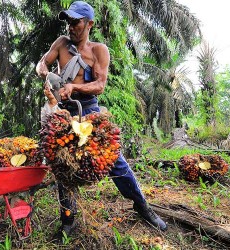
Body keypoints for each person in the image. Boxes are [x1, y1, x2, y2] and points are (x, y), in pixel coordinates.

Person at [36, 0, 167, 242]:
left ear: (89, 24)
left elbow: (100, 85)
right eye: (68, 22)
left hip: (89, 112)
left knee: (116, 162)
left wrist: (74, 86)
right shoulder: (61, 44)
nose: (70, 27)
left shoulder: (98, 50)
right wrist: (46, 73)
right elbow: (42, 62)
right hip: (63, 113)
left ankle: (142, 207)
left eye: (75, 22)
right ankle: (68, 220)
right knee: (63, 164)